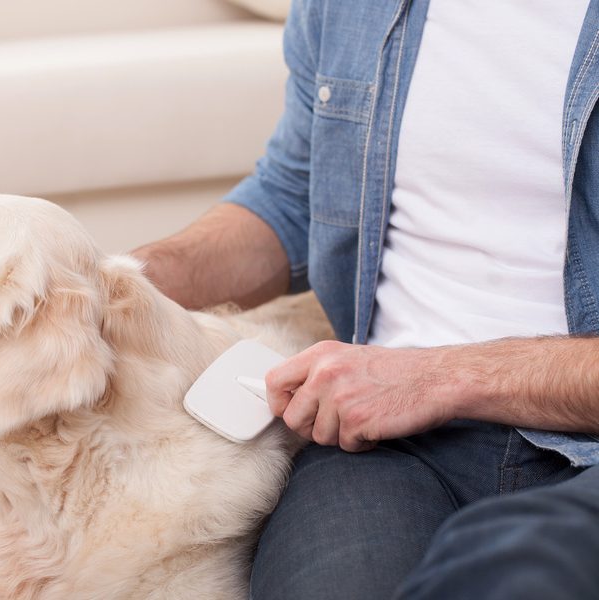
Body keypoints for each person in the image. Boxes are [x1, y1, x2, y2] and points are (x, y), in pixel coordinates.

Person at [132, 1, 599, 598]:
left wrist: (440, 378)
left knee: (519, 577)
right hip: (383, 442)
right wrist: (124, 284)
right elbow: (294, 196)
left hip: (576, 444)